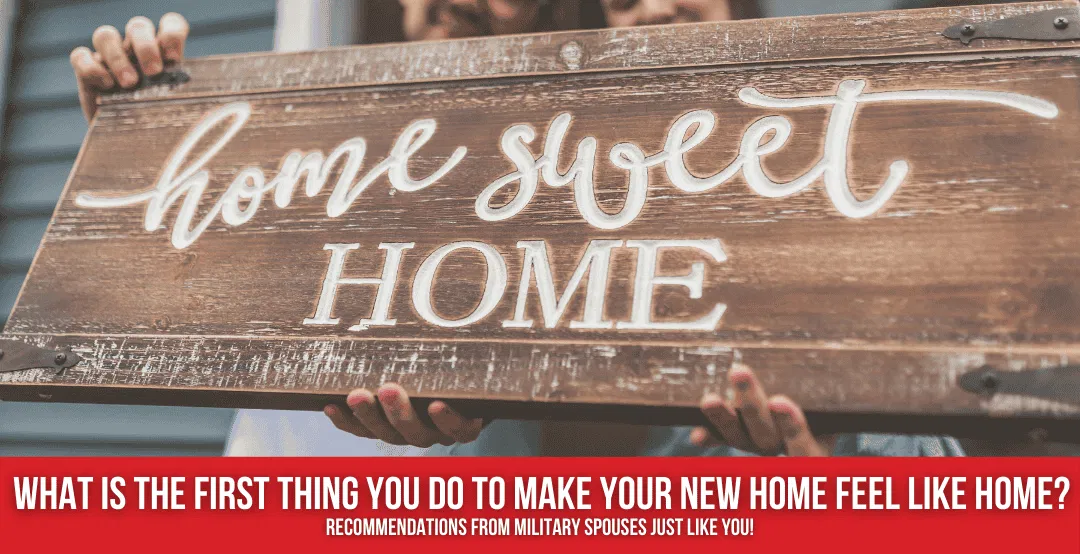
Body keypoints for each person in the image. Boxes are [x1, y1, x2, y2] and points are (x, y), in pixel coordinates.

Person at [69, 0, 963, 457]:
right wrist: (139, 142)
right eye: (619, 2)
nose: (649, 11)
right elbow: (199, 259)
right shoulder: (313, 155)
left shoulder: (839, 191)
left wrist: (841, 496)